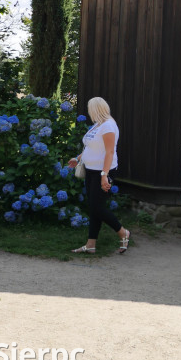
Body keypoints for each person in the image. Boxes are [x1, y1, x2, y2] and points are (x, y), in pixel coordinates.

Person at [67, 97, 130, 254]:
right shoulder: (97, 125)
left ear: (96, 109)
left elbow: (109, 152)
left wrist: (104, 175)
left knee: (97, 207)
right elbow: (90, 147)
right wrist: (78, 158)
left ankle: (122, 232)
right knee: (94, 207)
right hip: (90, 170)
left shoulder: (108, 125)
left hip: (103, 171)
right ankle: (91, 244)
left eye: (90, 108)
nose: (89, 111)